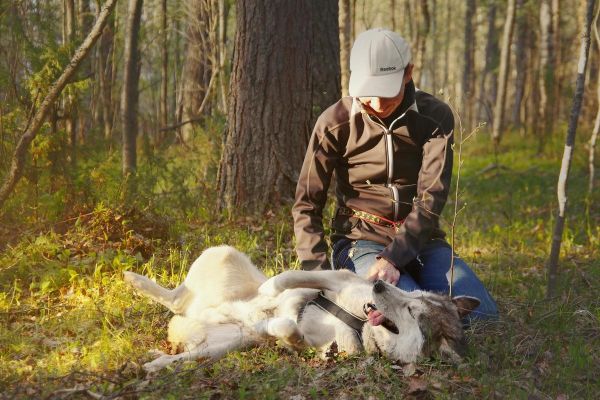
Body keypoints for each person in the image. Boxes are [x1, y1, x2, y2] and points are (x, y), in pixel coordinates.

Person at [292, 28, 498, 320]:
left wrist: (394, 257)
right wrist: (319, 278)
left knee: (482, 317)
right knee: (408, 316)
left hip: (423, 241)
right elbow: (306, 204)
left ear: (408, 73)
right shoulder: (333, 123)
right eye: (367, 93)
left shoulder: (435, 117)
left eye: (385, 91)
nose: (376, 103)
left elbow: (431, 197)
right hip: (360, 241)